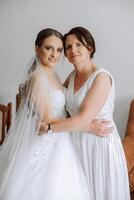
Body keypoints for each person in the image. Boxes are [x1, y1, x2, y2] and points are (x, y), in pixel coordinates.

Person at [0, 28, 92, 200]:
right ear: (37, 49)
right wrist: (84, 125)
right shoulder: (37, 78)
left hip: (61, 139)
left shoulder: (55, 75)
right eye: (49, 48)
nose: (54, 55)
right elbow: (49, 119)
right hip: (48, 140)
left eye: (59, 50)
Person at [42, 27, 130, 200]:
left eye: (78, 44)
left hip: (99, 146)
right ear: (65, 54)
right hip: (75, 143)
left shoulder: (101, 78)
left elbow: (83, 118)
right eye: (68, 47)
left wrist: (49, 127)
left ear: (90, 47)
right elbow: (61, 105)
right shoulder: (72, 76)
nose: (73, 50)